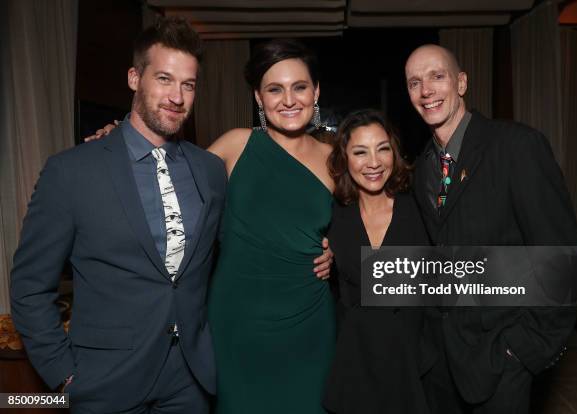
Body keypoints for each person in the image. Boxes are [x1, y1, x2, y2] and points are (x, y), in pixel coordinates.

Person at [10, 17, 225, 413]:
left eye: (188, 84)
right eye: (164, 78)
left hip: (189, 382)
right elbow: (29, 285)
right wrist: (64, 374)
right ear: (134, 78)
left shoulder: (210, 171)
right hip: (104, 383)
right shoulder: (72, 171)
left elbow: (227, 257)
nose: (177, 96)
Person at [404, 44, 577, 413]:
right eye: (415, 82)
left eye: (437, 76)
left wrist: (523, 350)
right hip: (439, 362)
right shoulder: (422, 167)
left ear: (462, 82)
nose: (426, 91)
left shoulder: (516, 146)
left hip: (499, 359)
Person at [206, 39, 336, 414]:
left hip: (309, 324)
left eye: (299, 87)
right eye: (274, 89)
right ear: (259, 99)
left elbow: (369, 224)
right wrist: (122, 142)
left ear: (315, 92)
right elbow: (171, 187)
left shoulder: (334, 159)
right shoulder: (236, 145)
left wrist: (336, 251)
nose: (289, 100)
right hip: (237, 322)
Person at [323, 109, 435, 414]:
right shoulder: (333, 216)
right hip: (355, 363)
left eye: (382, 149)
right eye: (360, 152)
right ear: (344, 158)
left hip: (411, 365)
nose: (374, 162)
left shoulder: (420, 209)